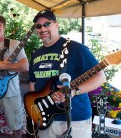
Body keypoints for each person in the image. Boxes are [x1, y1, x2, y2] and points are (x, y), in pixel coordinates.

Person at [28, 9, 106, 138]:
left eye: (47, 24)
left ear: (57, 25)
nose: (43, 28)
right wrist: (34, 110)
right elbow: (33, 83)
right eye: (38, 26)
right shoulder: (36, 54)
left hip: (75, 119)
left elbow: (100, 77)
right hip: (45, 120)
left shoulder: (76, 48)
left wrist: (74, 91)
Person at [0, 15, 29, 138]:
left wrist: (3, 66)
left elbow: (25, 66)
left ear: (4, 27)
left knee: (17, 124)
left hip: (11, 91)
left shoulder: (15, 44)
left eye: (0, 25)